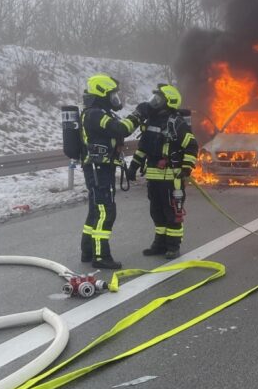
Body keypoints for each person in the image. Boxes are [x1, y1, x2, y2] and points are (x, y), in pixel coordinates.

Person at [80, 74, 146, 269]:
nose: (114, 98)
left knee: (96, 210)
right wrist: (138, 114)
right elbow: (120, 129)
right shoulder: (95, 114)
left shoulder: (99, 113)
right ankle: (101, 256)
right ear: (101, 94)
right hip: (98, 168)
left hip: (100, 167)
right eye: (112, 94)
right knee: (105, 211)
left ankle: (88, 251)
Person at [128, 84, 198, 260]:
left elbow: (191, 145)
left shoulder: (176, 123)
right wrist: (133, 167)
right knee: (156, 211)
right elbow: (143, 148)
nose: (153, 102)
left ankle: (173, 246)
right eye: (154, 98)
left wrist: (186, 168)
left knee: (172, 212)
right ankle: (159, 244)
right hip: (153, 177)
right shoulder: (151, 121)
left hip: (171, 178)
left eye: (158, 99)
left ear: (169, 102)